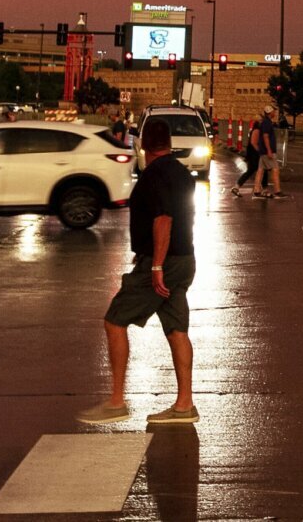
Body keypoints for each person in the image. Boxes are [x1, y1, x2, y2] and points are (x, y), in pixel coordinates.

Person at [79, 115, 198, 426]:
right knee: (176, 330)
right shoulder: (182, 173)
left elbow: (164, 219)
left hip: (163, 262)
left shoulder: (153, 175)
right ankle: (185, 405)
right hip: (184, 259)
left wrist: (156, 265)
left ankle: (116, 401)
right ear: (169, 144)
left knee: (114, 321)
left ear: (143, 144)